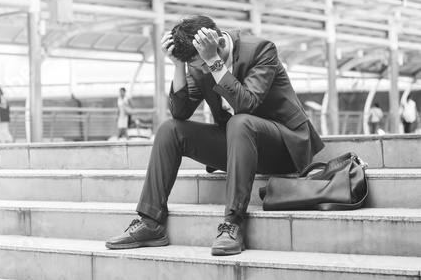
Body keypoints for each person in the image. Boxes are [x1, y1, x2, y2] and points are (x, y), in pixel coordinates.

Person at [105, 15, 324, 256]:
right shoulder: (198, 62)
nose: (199, 70)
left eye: (199, 64)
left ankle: (233, 223)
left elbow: (246, 104)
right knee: (169, 129)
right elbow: (181, 111)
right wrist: (179, 66)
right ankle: (150, 222)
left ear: (218, 43)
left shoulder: (261, 50)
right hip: (238, 143)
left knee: (240, 122)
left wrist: (212, 62)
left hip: (284, 144)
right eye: (196, 66)